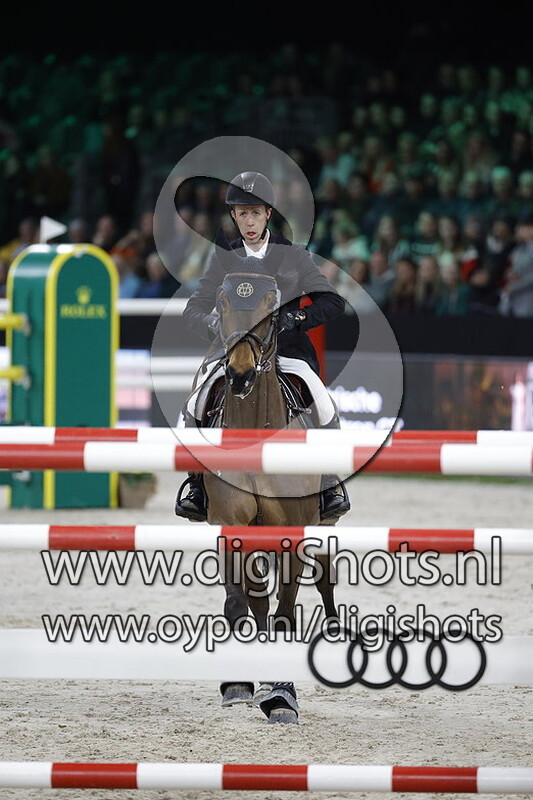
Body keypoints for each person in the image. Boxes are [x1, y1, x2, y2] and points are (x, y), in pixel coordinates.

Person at [175, 170, 350, 523]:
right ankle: (196, 485)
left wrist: (295, 319)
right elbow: (193, 308)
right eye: (242, 214)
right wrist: (215, 325)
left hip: (286, 352)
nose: (249, 221)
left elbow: (332, 302)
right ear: (233, 216)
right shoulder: (224, 257)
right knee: (194, 404)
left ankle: (329, 483)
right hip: (236, 352)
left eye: (255, 213)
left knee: (322, 403)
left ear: (268, 213)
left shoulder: (293, 255)